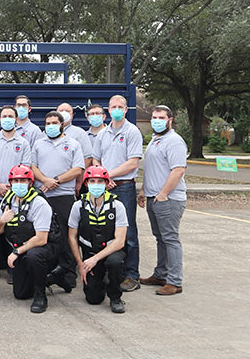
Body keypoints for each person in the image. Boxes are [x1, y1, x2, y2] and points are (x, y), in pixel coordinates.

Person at [91, 94, 143, 293]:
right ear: (108, 110)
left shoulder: (132, 132)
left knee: (128, 233)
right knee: (106, 230)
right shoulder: (103, 134)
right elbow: (96, 159)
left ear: (126, 109)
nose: (116, 109)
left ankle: (131, 275)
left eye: (120, 106)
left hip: (123, 187)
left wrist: (107, 175)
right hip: (105, 187)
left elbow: (133, 162)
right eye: (113, 106)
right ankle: (113, 272)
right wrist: (102, 177)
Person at [0, 165, 60, 313]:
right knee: (21, 294)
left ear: (30, 183)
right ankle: (53, 277)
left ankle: (41, 296)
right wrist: (2, 221)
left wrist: (16, 252)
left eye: (23, 180)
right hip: (21, 249)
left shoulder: (39, 203)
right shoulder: (7, 201)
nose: (19, 184)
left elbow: (42, 239)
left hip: (44, 248)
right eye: (15, 181)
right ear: (10, 183)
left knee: (33, 256)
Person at [31, 110, 85, 293]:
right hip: (43, 196)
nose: (51, 126)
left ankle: (68, 275)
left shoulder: (73, 144)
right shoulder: (38, 144)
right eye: (48, 123)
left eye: (54, 123)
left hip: (64, 195)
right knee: (46, 235)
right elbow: (33, 166)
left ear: (62, 124)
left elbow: (78, 169)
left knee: (66, 235)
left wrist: (56, 180)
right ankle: (48, 272)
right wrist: (45, 181)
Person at [138, 105, 188, 296]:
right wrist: (144, 190)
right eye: (154, 117)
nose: (156, 120)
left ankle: (174, 282)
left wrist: (163, 193)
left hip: (168, 199)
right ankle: (161, 274)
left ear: (170, 120)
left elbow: (178, 170)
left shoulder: (174, 141)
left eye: (160, 117)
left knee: (170, 238)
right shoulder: (155, 140)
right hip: (154, 197)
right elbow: (153, 169)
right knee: (161, 238)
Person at [0, 105, 32, 282]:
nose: (7, 119)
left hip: (16, 195)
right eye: (4, 116)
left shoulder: (23, 143)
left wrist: (11, 188)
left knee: (14, 230)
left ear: (16, 119)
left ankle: (12, 269)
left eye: (11, 116)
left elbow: (26, 168)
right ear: (0, 119)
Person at [68, 166, 128, 313]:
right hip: (90, 251)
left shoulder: (117, 206)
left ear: (107, 184)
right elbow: (72, 236)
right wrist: (80, 264)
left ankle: (115, 297)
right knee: (93, 299)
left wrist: (95, 259)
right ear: (86, 184)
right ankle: (101, 279)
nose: (96, 185)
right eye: (92, 181)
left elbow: (120, 241)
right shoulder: (78, 206)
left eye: (100, 181)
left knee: (114, 262)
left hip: (111, 250)